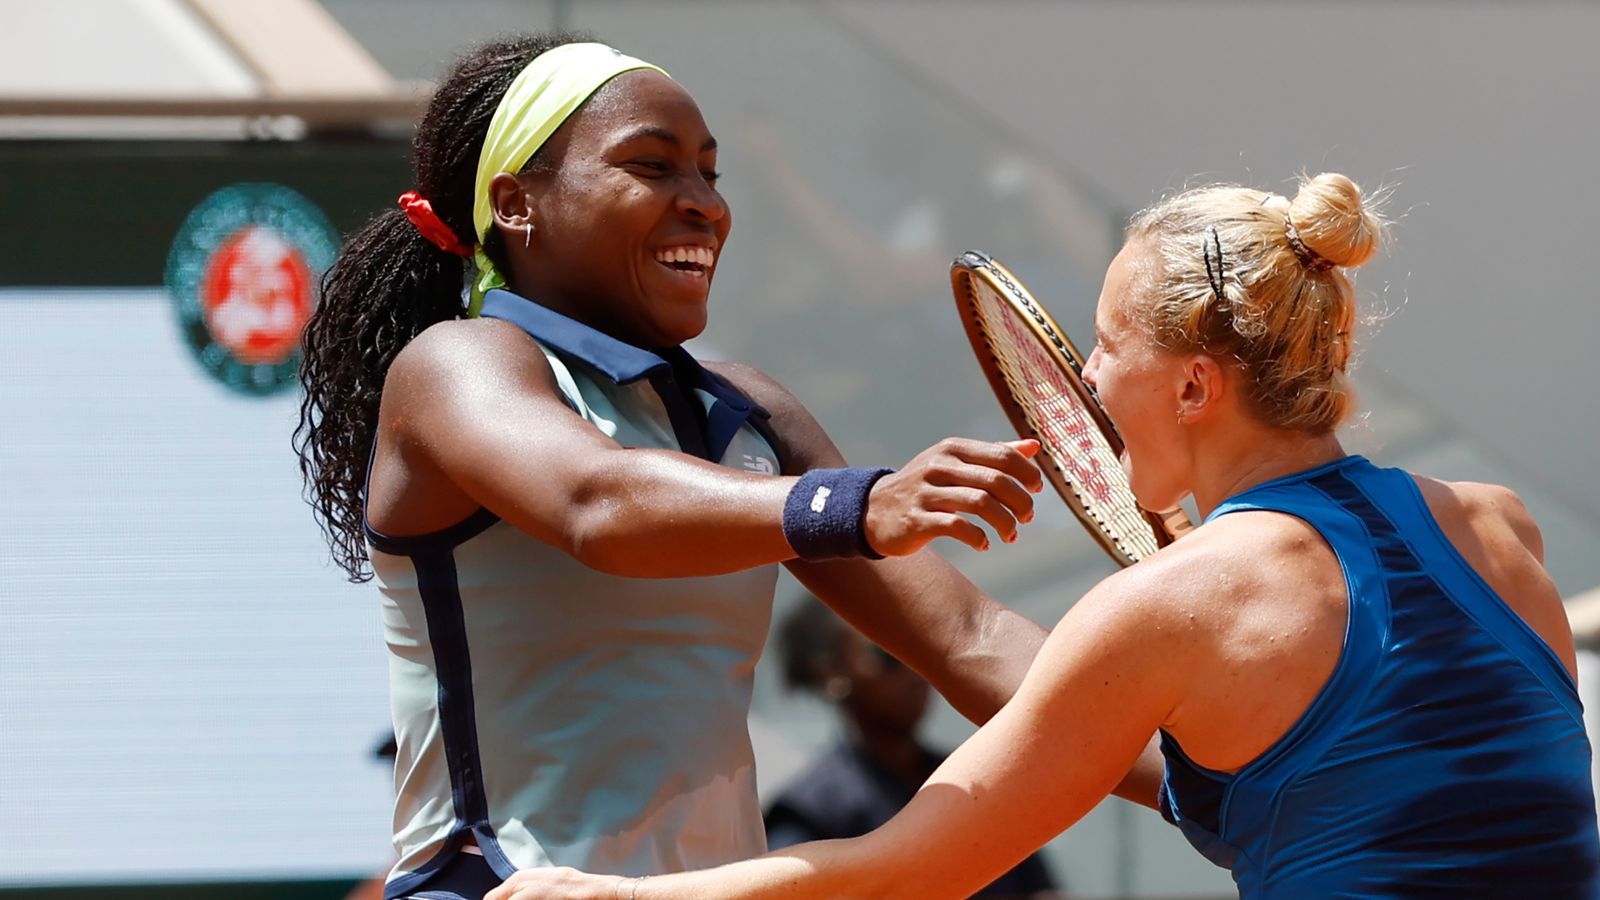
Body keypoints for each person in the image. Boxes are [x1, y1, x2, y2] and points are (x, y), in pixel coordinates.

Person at [485, 173, 1600, 900]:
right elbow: (1410, 796)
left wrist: (619, 897)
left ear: (1197, 385)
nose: (1087, 375)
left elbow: (914, 868)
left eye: (1109, 342)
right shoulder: (1500, 530)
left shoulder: (1174, 609)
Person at [294, 33, 1069, 900]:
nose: (703, 203)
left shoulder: (752, 410)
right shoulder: (455, 366)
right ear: (516, 204)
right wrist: (859, 505)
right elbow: (598, 503)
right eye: (652, 167)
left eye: (710, 173)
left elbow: (973, 640)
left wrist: (1207, 769)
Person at [763, 599, 1059, 898]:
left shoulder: (978, 778)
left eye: (918, 650)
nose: (913, 671)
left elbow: (1040, 890)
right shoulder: (809, 812)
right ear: (832, 673)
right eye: (888, 654)